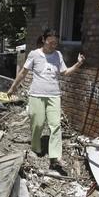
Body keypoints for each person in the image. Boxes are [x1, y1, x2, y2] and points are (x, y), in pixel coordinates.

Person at [7, 28, 85, 175]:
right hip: (36, 94)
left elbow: (64, 72)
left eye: (55, 43)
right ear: (43, 40)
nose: (53, 46)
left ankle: (55, 156)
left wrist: (78, 64)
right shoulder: (34, 54)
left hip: (54, 95)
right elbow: (23, 73)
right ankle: (36, 148)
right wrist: (13, 88)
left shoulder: (58, 55)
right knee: (37, 123)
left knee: (55, 125)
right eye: (50, 43)